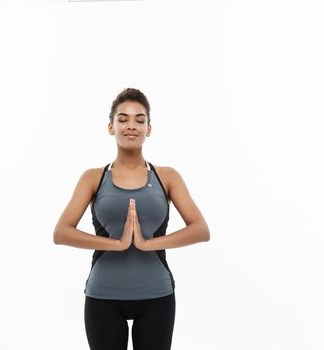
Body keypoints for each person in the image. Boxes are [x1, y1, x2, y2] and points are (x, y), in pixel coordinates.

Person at [53, 88, 211, 350]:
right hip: (103, 296)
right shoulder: (93, 178)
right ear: (110, 127)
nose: (131, 126)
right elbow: (61, 232)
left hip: (157, 296)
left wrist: (149, 244)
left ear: (149, 128)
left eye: (140, 119)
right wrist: (117, 244)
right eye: (123, 119)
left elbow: (201, 229)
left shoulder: (167, 177)